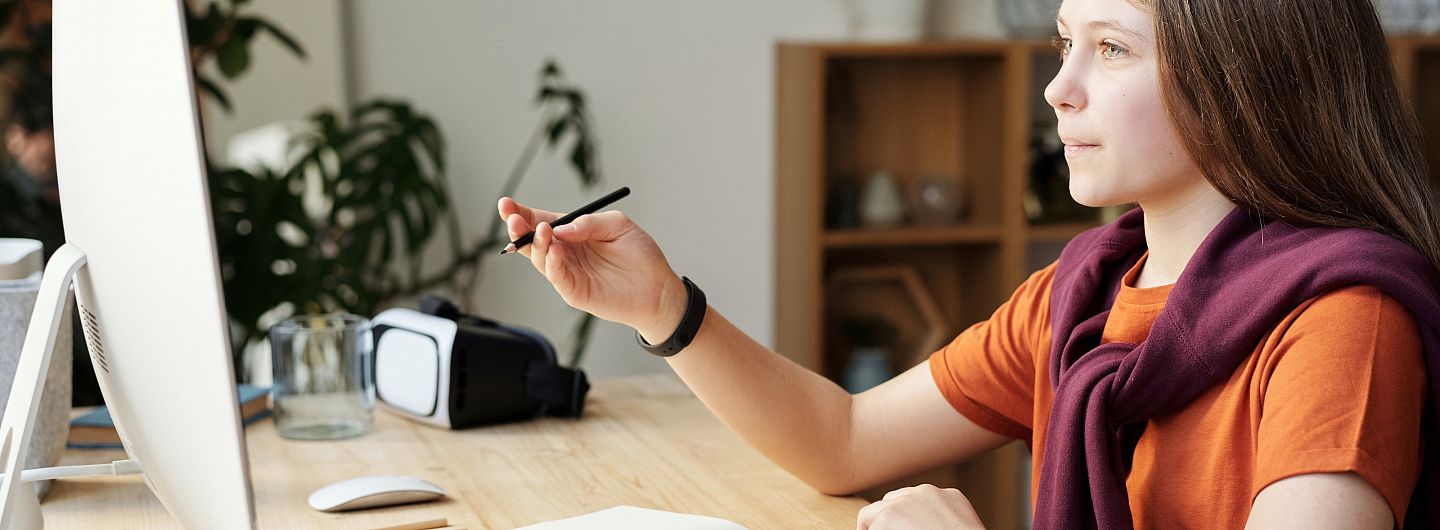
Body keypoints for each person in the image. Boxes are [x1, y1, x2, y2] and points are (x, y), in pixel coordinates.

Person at [497, 0, 1440, 528]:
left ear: (1248, 81)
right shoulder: (1081, 298)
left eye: (1111, 50)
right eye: (1066, 44)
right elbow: (844, 441)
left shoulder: (1344, 328)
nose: (1058, 88)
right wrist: (664, 308)